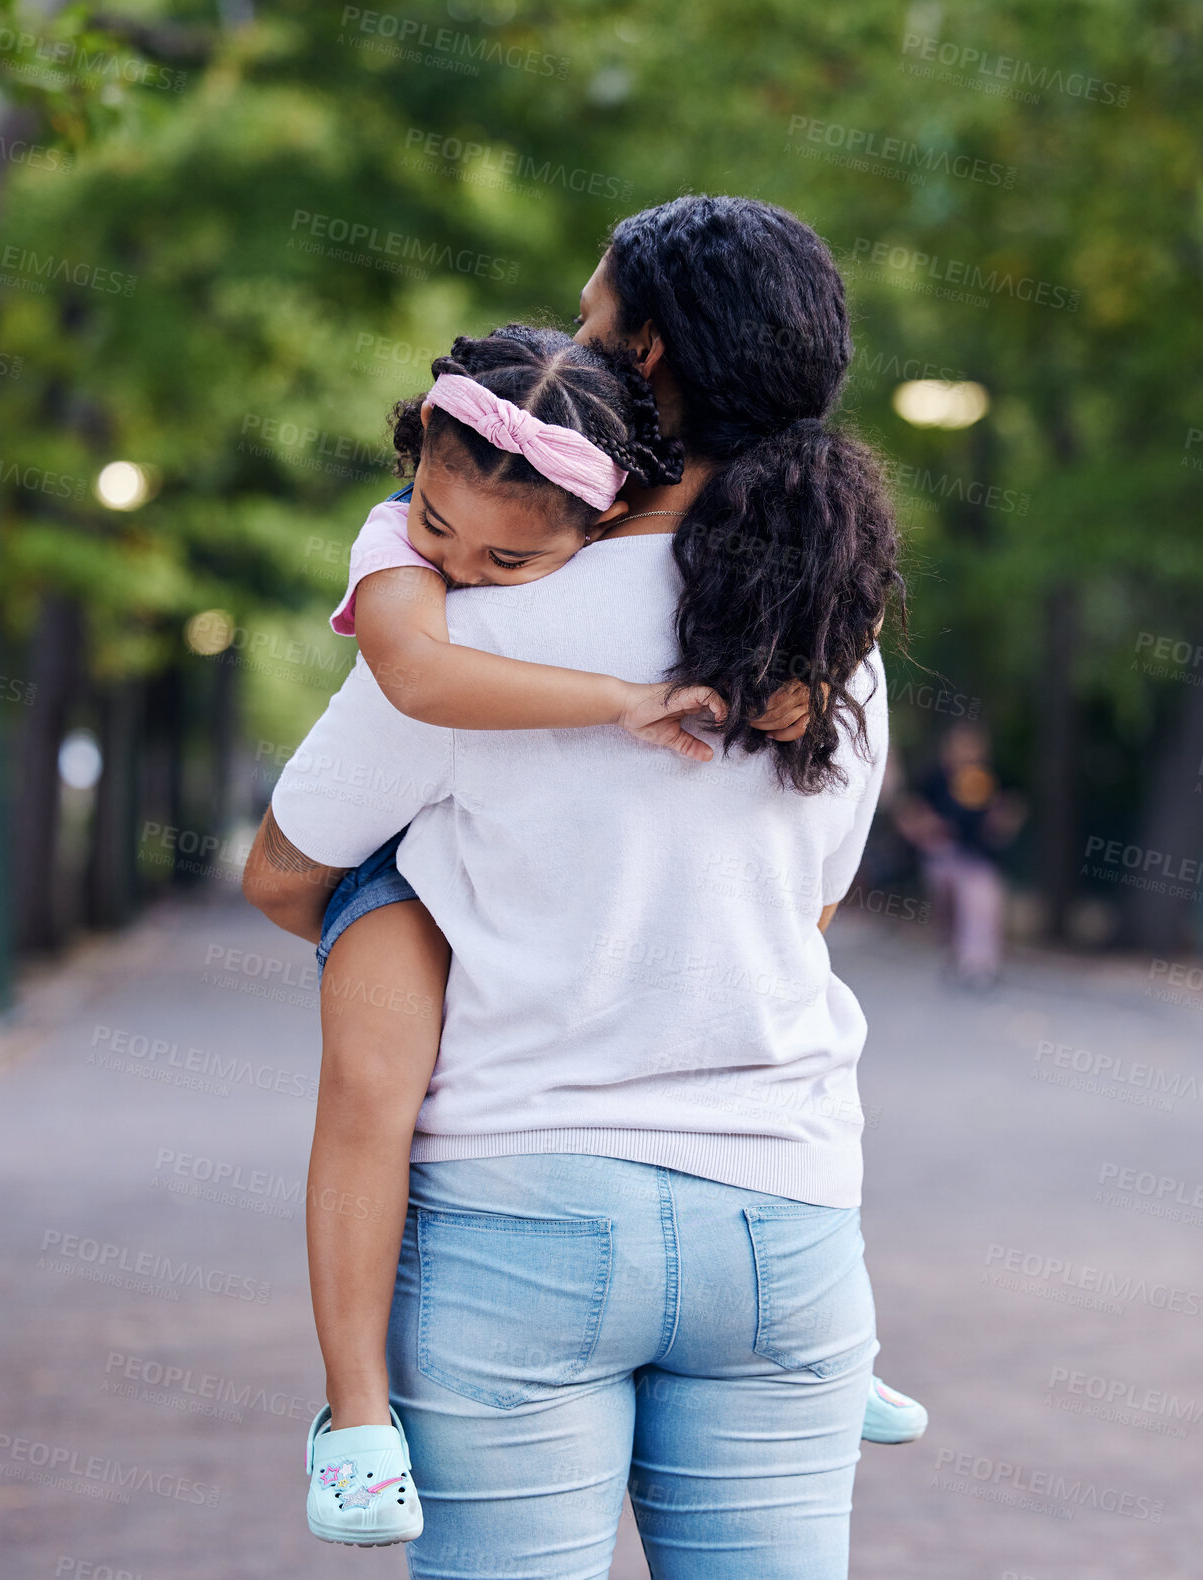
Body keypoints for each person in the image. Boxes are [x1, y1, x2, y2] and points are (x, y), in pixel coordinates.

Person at [246, 194, 910, 1579]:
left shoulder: (480, 619)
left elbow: (280, 870)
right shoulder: (829, 643)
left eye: (593, 311)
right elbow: (813, 910)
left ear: (648, 356)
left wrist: (416, 916)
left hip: (520, 1223)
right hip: (784, 1225)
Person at [893, 721, 1026, 988]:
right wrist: (924, 828)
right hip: (942, 855)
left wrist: (1001, 822)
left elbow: (1015, 809)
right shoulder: (934, 779)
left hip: (979, 858)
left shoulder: (993, 778)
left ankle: (978, 964)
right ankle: (956, 955)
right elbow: (906, 812)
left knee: (979, 902)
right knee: (949, 911)